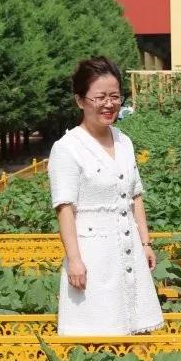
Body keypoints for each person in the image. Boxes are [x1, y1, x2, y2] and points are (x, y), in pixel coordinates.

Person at [47, 56, 164, 336]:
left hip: (127, 248)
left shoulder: (124, 141)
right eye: (100, 97)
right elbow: (65, 209)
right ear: (80, 100)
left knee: (133, 330)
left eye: (115, 96)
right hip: (94, 256)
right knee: (96, 331)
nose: (109, 104)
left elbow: (135, 196)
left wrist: (145, 242)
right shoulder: (67, 148)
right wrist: (74, 259)